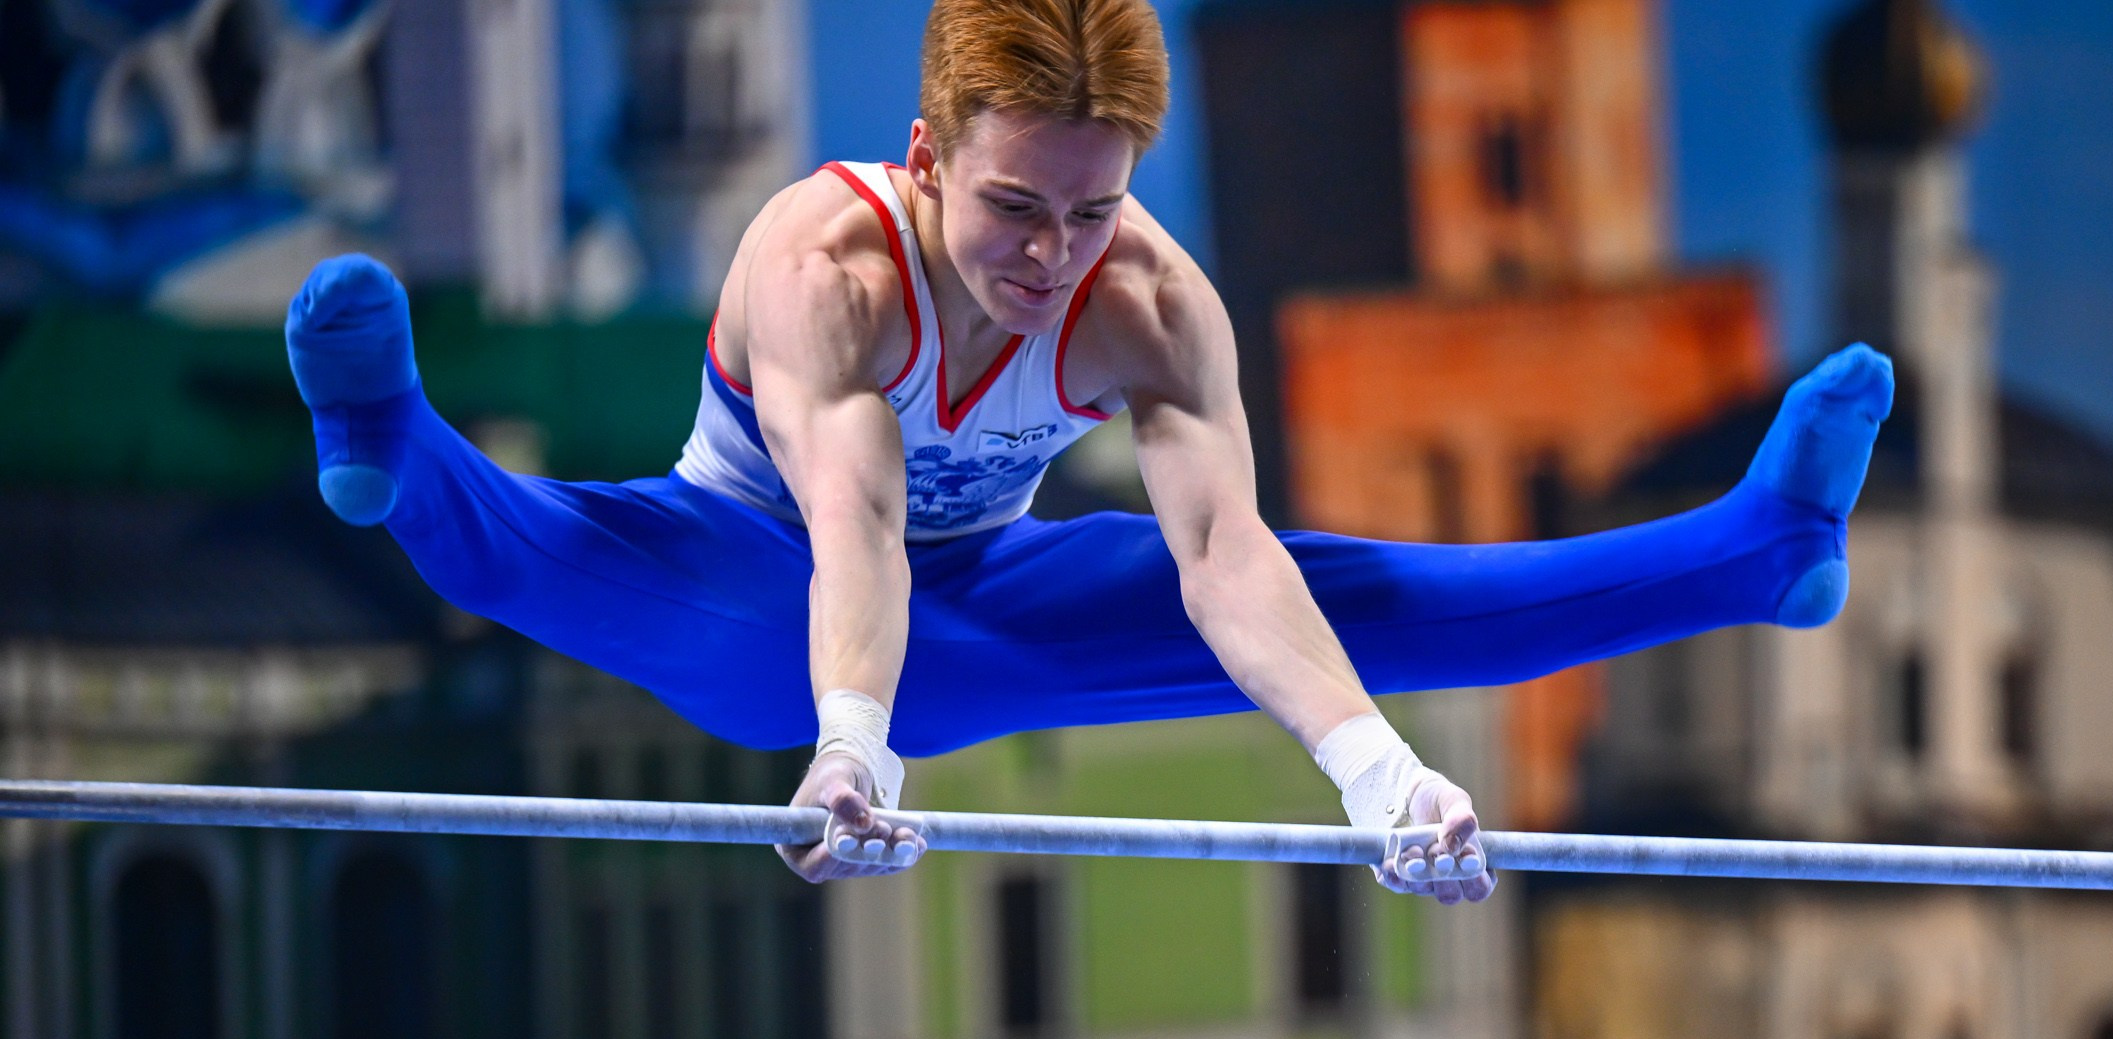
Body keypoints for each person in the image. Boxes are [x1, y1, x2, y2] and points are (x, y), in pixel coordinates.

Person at [282, 0, 1890, 902]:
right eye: (1011, 206)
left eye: (1092, 207)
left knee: (1350, 595)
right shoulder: (819, 266)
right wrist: (852, 752)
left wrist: (1379, 781)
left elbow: (1224, 563)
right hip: (760, 581)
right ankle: (391, 436)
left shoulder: (1152, 303)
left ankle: (1760, 551)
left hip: (990, 597)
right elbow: (848, 522)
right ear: (924, 158)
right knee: (539, 545)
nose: (1052, 254)